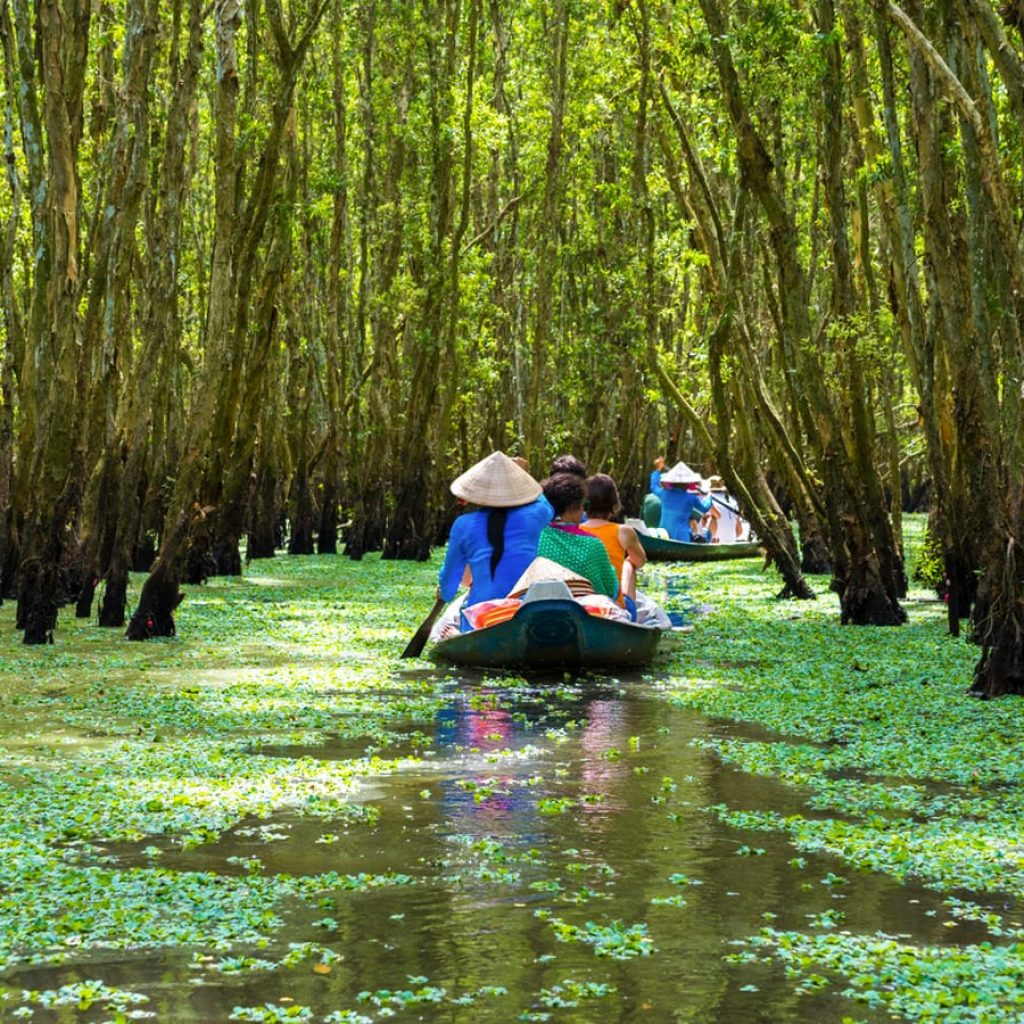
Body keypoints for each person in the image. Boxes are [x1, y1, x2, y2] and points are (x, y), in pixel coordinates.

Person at [437, 452, 551, 617]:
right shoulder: (535, 515)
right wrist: (520, 476)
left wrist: (443, 590)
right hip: (525, 609)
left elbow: (448, 588)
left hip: (481, 613)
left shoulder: (463, 524)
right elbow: (542, 500)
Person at [537, 473, 620, 600]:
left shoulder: (537, 536)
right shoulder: (593, 544)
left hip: (542, 603)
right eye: (582, 505)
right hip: (583, 609)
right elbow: (609, 589)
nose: (583, 511)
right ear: (573, 507)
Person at [581, 474, 647, 601]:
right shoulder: (624, 532)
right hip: (613, 602)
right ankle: (628, 609)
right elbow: (640, 561)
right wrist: (627, 562)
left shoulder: (577, 530)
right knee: (630, 564)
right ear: (614, 504)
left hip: (585, 600)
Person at [659, 461, 720, 543]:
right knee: (704, 534)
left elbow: (653, 486)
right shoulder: (691, 498)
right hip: (681, 537)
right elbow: (704, 508)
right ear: (688, 483)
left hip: (664, 534)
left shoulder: (664, 493)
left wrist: (657, 470)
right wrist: (709, 497)